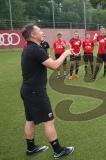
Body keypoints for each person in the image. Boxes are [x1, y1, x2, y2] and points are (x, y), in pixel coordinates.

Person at [20, 24, 74, 159]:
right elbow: (54, 65)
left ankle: (31, 148)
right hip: (35, 92)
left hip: (28, 90)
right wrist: (66, 53)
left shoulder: (30, 48)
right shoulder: (35, 50)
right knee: (49, 120)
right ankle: (58, 150)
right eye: (39, 31)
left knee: (30, 120)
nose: (42, 32)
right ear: (32, 35)